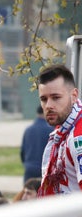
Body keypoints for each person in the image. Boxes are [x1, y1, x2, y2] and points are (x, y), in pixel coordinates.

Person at [35, 64, 82, 197]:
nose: (48, 105)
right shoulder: (63, 129)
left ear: (74, 95)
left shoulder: (78, 136)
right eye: (44, 99)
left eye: (56, 97)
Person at [20, 105, 54, 184]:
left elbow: (22, 152)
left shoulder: (28, 130)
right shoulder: (51, 130)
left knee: (29, 194)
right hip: (45, 169)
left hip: (30, 168)